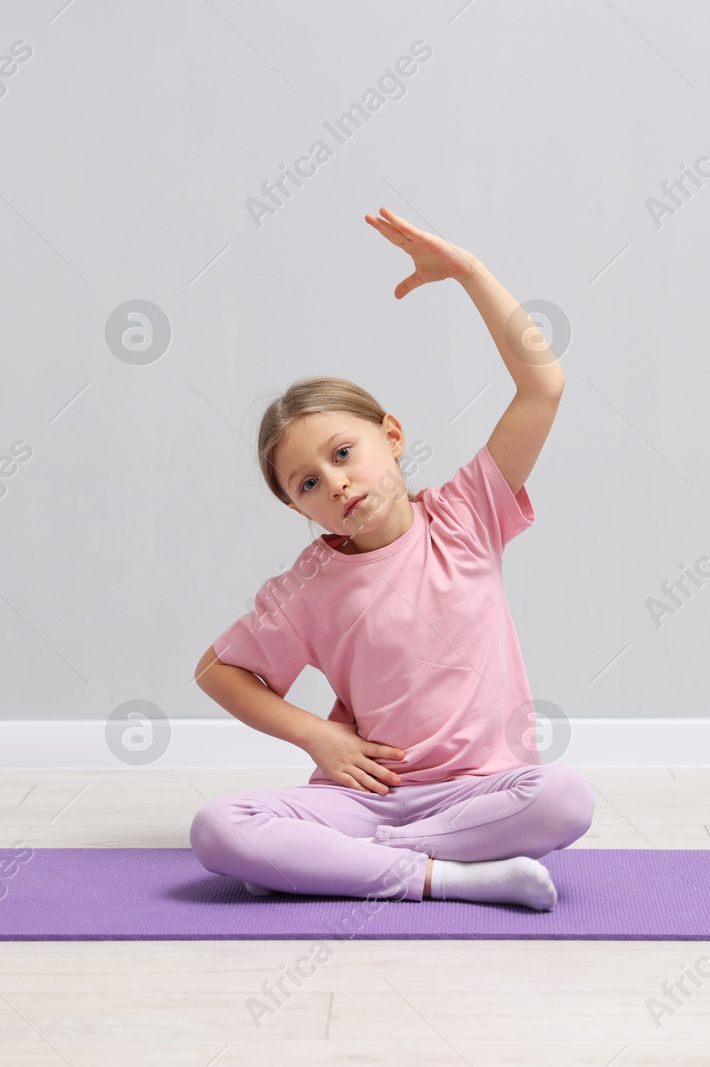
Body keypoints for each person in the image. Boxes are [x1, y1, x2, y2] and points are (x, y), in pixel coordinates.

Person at [191, 207, 593, 910]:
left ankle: (338, 867)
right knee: (218, 827)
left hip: (481, 794)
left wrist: (468, 273)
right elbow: (217, 671)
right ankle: (440, 876)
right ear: (299, 509)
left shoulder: (468, 513)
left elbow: (543, 386)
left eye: (343, 453)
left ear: (393, 435)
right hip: (369, 798)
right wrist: (319, 737)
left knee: (565, 798)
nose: (336, 481)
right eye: (308, 482)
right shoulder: (308, 586)